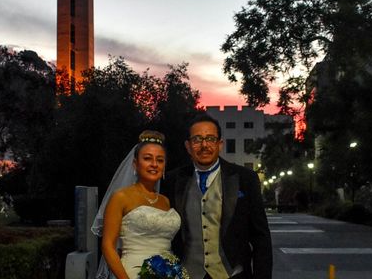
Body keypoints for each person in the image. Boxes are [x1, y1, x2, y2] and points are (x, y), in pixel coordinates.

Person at [162, 112, 272, 279]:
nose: (204, 145)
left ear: (220, 144)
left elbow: (260, 237)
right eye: (197, 139)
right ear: (188, 146)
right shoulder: (172, 180)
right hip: (186, 274)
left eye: (211, 139)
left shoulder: (245, 179)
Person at [91, 131, 182, 279]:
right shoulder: (120, 197)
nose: (154, 164)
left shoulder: (165, 201)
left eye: (160, 160)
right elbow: (108, 246)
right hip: (132, 273)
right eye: (147, 158)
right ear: (135, 164)